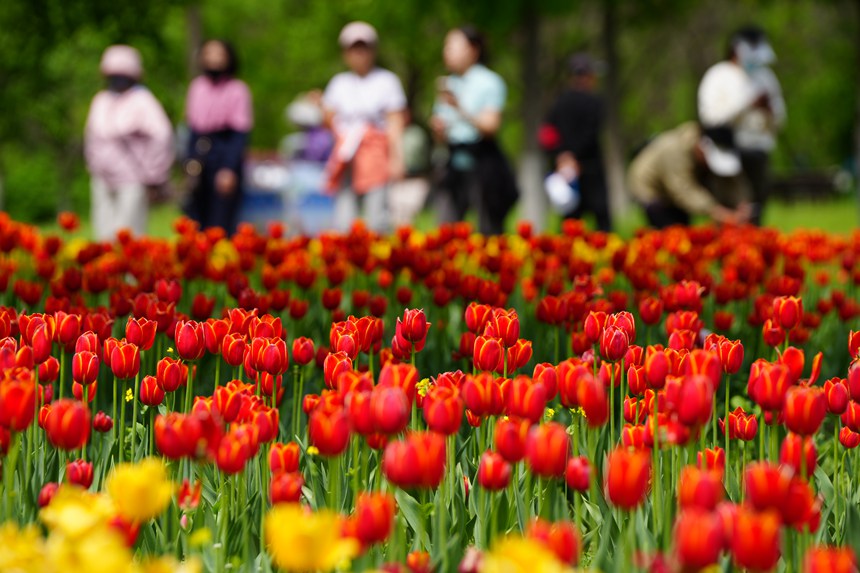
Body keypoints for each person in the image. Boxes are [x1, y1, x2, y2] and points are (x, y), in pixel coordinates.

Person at [430, 25, 518, 235]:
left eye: (452, 45)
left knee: (488, 228)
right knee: (446, 227)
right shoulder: (448, 84)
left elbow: (490, 126)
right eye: (446, 46)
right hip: (453, 158)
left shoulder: (489, 82)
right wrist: (438, 128)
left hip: (482, 159)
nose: (447, 51)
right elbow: (440, 137)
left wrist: (460, 109)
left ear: (473, 49)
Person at [322, 21, 407, 233]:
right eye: (353, 49)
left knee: (377, 218)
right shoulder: (339, 83)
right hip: (347, 158)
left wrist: (397, 158)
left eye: (363, 48)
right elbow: (329, 120)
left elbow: (396, 122)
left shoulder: (387, 81)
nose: (359, 54)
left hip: (377, 155)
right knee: (343, 220)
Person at [84, 45, 174, 241]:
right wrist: (94, 164)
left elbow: (161, 136)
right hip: (102, 176)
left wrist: (154, 172)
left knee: (130, 233)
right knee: (103, 233)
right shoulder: (101, 100)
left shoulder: (143, 101)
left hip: (133, 177)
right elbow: (91, 137)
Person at [698, 26, 785, 225]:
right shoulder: (717, 76)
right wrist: (747, 105)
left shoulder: (766, 77)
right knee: (730, 211)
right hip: (727, 153)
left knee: (756, 211)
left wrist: (769, 112)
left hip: (759, 152)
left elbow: (780, 120)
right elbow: (710, 119)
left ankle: (752, 252)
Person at [183, 39, 253, 235]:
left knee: (221, 221)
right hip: (201, 150)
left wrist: (229, 168)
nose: (213, 59)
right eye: (209, 54)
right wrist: (189, 163)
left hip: (225, 149)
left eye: (218, 54)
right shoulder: (197, 87)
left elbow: (240, 133)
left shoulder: (237, 89)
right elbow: (192, 128)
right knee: (196, 219)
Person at [627, 122, 752, 228]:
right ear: (702, 147)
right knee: (672, 229)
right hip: (652, 189)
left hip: (680, 182)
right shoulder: (675, 151)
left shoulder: (711, 149)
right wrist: (717, 211)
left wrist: (742, 203)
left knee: (684, 228)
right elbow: (683, 191)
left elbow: (732, 177)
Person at [540, 53, 611, 232]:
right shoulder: (595, 102)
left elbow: (547, 135)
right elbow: (590, 133)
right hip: (590, 167)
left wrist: (561, 156)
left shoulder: (558, 103)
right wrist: (574, 157)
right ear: (588, 76)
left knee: (570, 222)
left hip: (565, 169)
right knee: (601, 219)